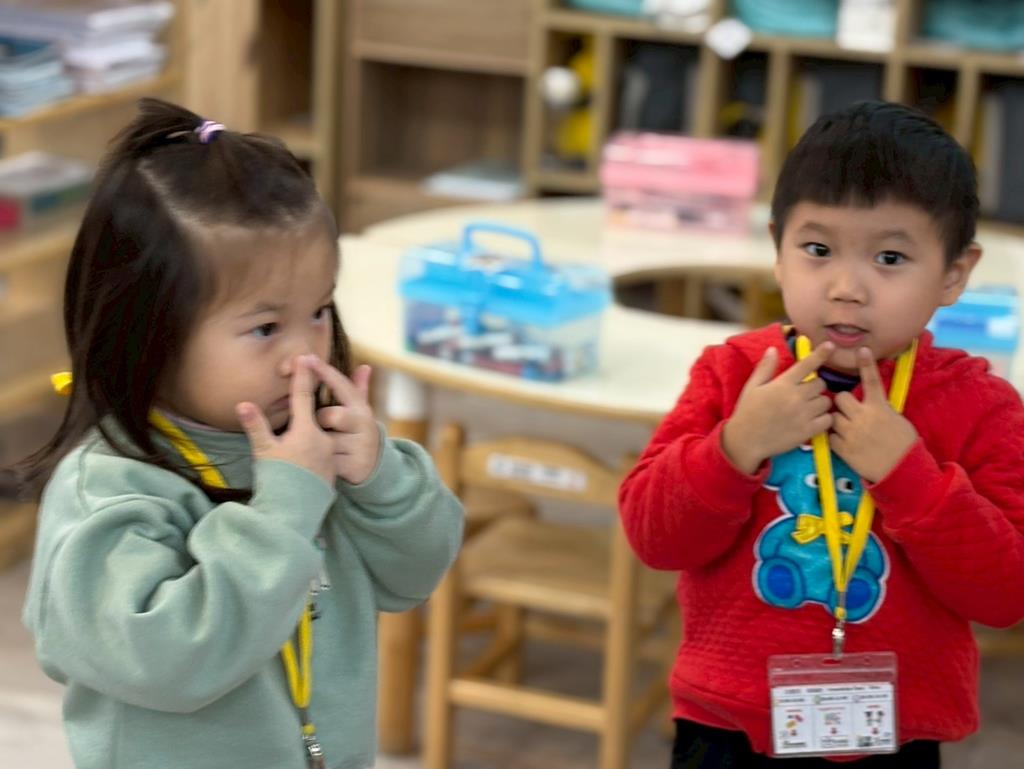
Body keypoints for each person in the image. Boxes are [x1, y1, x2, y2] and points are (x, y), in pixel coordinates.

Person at [19, 99, 464, 769]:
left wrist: (384, 480)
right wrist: (285, 509)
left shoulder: (314, 447)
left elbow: (414, 578)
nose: (304, 353)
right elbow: (167, 663)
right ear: (151, 332)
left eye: (319, 310)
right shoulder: (106, 490)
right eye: (265, 327)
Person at [619, 100, 1024, 768]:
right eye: (817, 250)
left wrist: (910, 476)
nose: (846, 287)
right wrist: (735, 446)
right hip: (727, 725)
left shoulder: (982, 405)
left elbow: (1006, 594)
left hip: (892, 730)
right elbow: (652, 538)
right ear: (777, 251)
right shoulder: (733, 374)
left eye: (889, 257)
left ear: (954, 273)